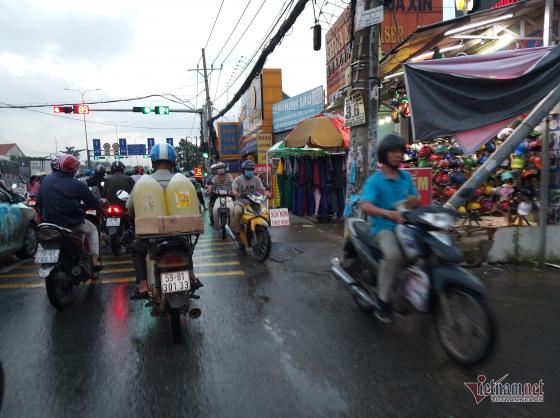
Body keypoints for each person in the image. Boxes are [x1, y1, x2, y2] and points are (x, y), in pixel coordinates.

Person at [127, 143, 201, 299]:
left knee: (136, 249)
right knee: (186, 246)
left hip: (152, 237)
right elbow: (196, 207)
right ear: (172, 162)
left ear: (153, 162)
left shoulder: (143, 182)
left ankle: (143, 284)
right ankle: (191, 275)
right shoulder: (182, 181)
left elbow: (129, 207)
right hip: (178, 233)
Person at [360, 134, 419, 323]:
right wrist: (388, 213)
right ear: (384, 155)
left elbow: (415, 198)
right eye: (393, 151)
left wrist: (412, 201)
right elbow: (366, 206)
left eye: (400, 151)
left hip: (405, 226)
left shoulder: (405, 177)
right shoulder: (375, 181)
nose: (398, 155)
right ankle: (383, 302)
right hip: (383, 227)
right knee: (394, 255)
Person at [37, 154, 103, 270]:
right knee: (93, 230)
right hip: (72, 224)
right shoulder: (77, 184)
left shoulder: (45, 181)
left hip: (49, 224)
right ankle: (94, 259)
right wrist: (100, 208)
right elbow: (93, 202)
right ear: (73, 170)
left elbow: (39, 204)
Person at [231, 160, 266, 239]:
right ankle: (237, 231)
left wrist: (266, 193)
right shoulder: (238, 179)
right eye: (247, 169)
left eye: (251, 169)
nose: (249, 171)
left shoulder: (256, 179)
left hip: (253, 202)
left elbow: (262, 189)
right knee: (237, 211)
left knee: (264, 211)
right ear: (243, 170)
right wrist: (237, 194)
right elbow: (233, 189)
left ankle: (260, 229)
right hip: (241, 202)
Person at [208, 162, 234, 227]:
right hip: (217, 196)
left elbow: (233, 183)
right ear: (217, 169)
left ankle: (232, 225)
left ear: (225, 169)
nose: (221, 169)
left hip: (228, 196)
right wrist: (210, 189)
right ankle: (215, 223)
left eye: (222, 168)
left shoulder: (229, 176)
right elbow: (211, 184)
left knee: (232, 208)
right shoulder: (215, 177)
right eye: (219, 168)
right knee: (214, 209)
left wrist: (232, 190)